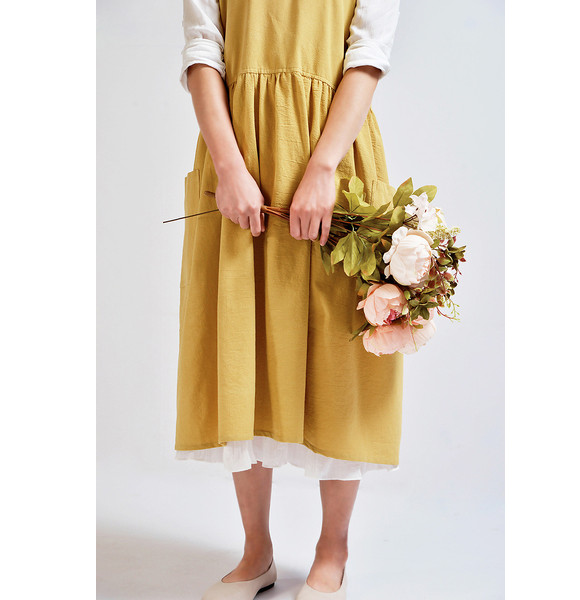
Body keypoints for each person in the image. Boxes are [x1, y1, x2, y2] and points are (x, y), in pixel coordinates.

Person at [175, 1, 403, 598]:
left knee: (340, 355)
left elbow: (367, 55)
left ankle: (333, 550)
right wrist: (228, 167)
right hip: (237, 154)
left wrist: (324, 168)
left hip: (335, 155)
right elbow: (203, 49)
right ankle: (257, 552)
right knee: (241, 344)